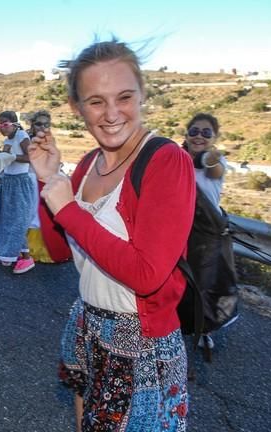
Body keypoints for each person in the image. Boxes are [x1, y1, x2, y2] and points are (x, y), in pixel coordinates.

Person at [29, 39, 195, 430]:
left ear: (142, 95)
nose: (111, 113)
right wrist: (48, 180)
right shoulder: (88, 164)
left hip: (140, 341)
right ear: (76, 107)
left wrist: (68, 209)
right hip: (87, 320)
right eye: (96, 101)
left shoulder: (166, 161)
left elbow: (147, 273)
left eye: (124, 97)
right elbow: (57, 251)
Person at [182, 113, 238, 352]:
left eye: (206, 133)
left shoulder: (215, 161)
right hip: (181, 229)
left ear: (214, 137)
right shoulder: (177, 158)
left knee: (204, 284)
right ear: (186, 133)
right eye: (194, 131)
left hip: (206, 234)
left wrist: (211, 156)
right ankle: (174, 327)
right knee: (179, 281)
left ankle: (204, 330)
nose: (199, 136)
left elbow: (212, 168)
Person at [0, 110, 36, 274]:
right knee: (7, 219)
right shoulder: (8, 139)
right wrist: (3, 157)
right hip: (8, 182)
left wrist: (13, 157)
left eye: (5, 124)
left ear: (14, 124)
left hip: (20, 182)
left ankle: (27, 258)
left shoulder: (22, 135)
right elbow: (6, 156)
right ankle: (12, 253)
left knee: (18, 220)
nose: (2, 127)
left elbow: (31, 157)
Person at [26, 110, 57, 264]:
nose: (42, 127)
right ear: (32, 125)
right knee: (32, 215)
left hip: (46, 182)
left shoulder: (51, 140)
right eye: (39, 124)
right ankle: (30, 249)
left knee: (45, 216)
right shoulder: (27, 140)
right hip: (30, 181)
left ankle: (46, 249)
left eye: (46, 124)